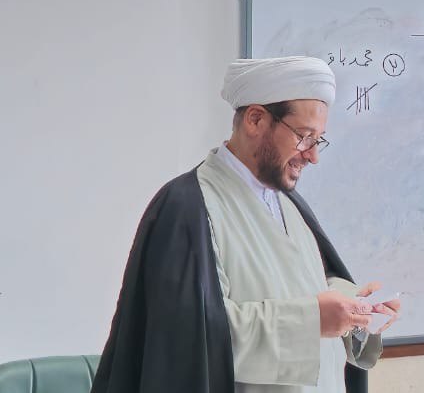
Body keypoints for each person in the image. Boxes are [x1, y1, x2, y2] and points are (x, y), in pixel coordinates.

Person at [92, 56, 400, 393]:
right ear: (255, 120)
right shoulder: (187, 208)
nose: (313, 156)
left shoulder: (290, 203)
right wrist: (312, 320)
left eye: (318, 140)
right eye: (304, 136)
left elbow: (299, 286)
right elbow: (190, 338)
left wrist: (354, 308)